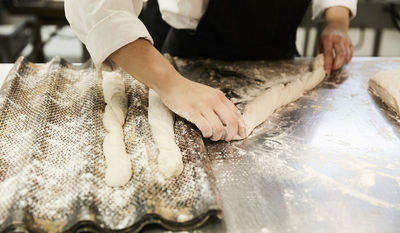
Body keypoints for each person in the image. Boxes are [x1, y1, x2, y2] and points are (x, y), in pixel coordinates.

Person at [65, 0, 357, 141]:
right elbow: (94, 6)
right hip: (189, 56)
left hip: (277, 54)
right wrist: (172, 85)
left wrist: (337, 19)